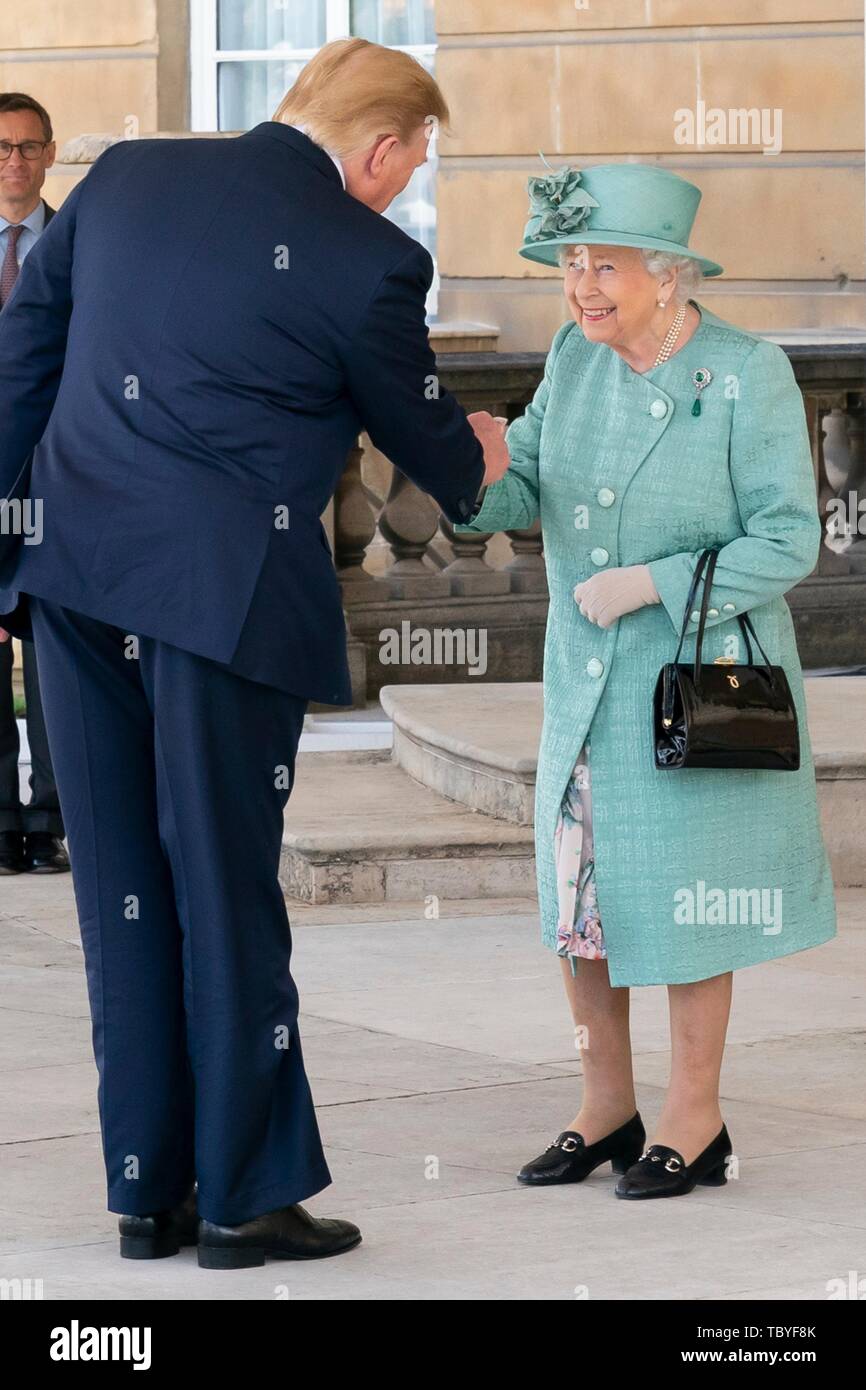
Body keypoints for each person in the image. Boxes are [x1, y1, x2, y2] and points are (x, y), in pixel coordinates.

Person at [0, 38, 510, 1266]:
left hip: (74, 584)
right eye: (414, 160)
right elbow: (441, 461)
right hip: (222, 610)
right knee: (225, 894)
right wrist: (483, 445)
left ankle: (145, 1194)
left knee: (120, 891)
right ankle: (242, 1195)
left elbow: (18, 368)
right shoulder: (371, 258)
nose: (408, 186)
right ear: (378, 149)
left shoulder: (122, 176)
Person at [455, 161, 836, 1200]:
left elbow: (788, 539)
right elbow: (518, 486)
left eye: (602, 264)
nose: (579, 285)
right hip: (581, 690)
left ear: (667, 275)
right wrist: (477, 472)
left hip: (689, 689)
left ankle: (693, 1117)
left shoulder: (743, 371)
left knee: (683, 901)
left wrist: (650, 585)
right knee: (581, 904)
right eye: (569, 263)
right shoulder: (575, 365)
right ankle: (604, 1106)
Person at [0, 92, 68, 876]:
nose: (15, 161)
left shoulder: (76, 246)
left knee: (55, 656)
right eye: (3, 148)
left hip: (59, 483)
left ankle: (49, 819)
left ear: (49, 154)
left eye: (28, 146)